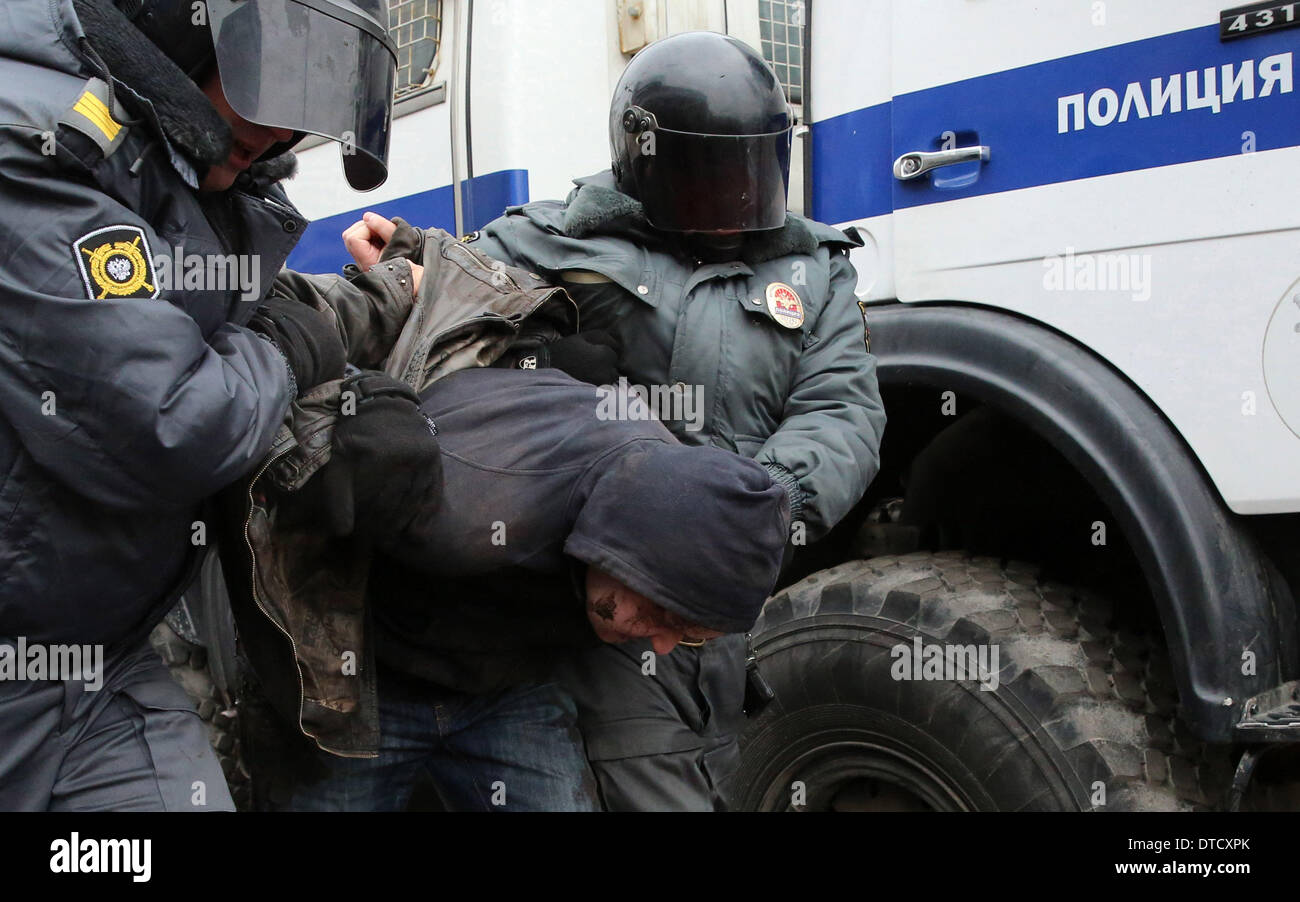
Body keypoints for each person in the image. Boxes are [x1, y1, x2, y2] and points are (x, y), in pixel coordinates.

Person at [346, 30, 887, 810]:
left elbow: (841, 410)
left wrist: (745, 516)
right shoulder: (557, 239)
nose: (731, 202)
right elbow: (467, 301)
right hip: (603, 602)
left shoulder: (817, 269)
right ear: (646, 160)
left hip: (717, 602)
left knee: (719, 767)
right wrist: (413, 253)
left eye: (750, 172)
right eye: (708, 176)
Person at [0, 0, 437, 810]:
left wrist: (357, 309)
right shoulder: (32, 140)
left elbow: (220, 318)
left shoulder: (170, 164)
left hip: (101, 664)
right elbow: (174, 419)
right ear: (179, 25)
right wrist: (283, 347)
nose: (283, 129)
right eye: (274, 80)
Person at [259, 366, 790, 811]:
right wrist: (372, 400)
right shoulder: (464, 512)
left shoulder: (675, 501)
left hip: (508, 691)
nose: (662, 645)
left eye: (688, 634)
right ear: (622, 553)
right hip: (370, 688)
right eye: (665, 617)